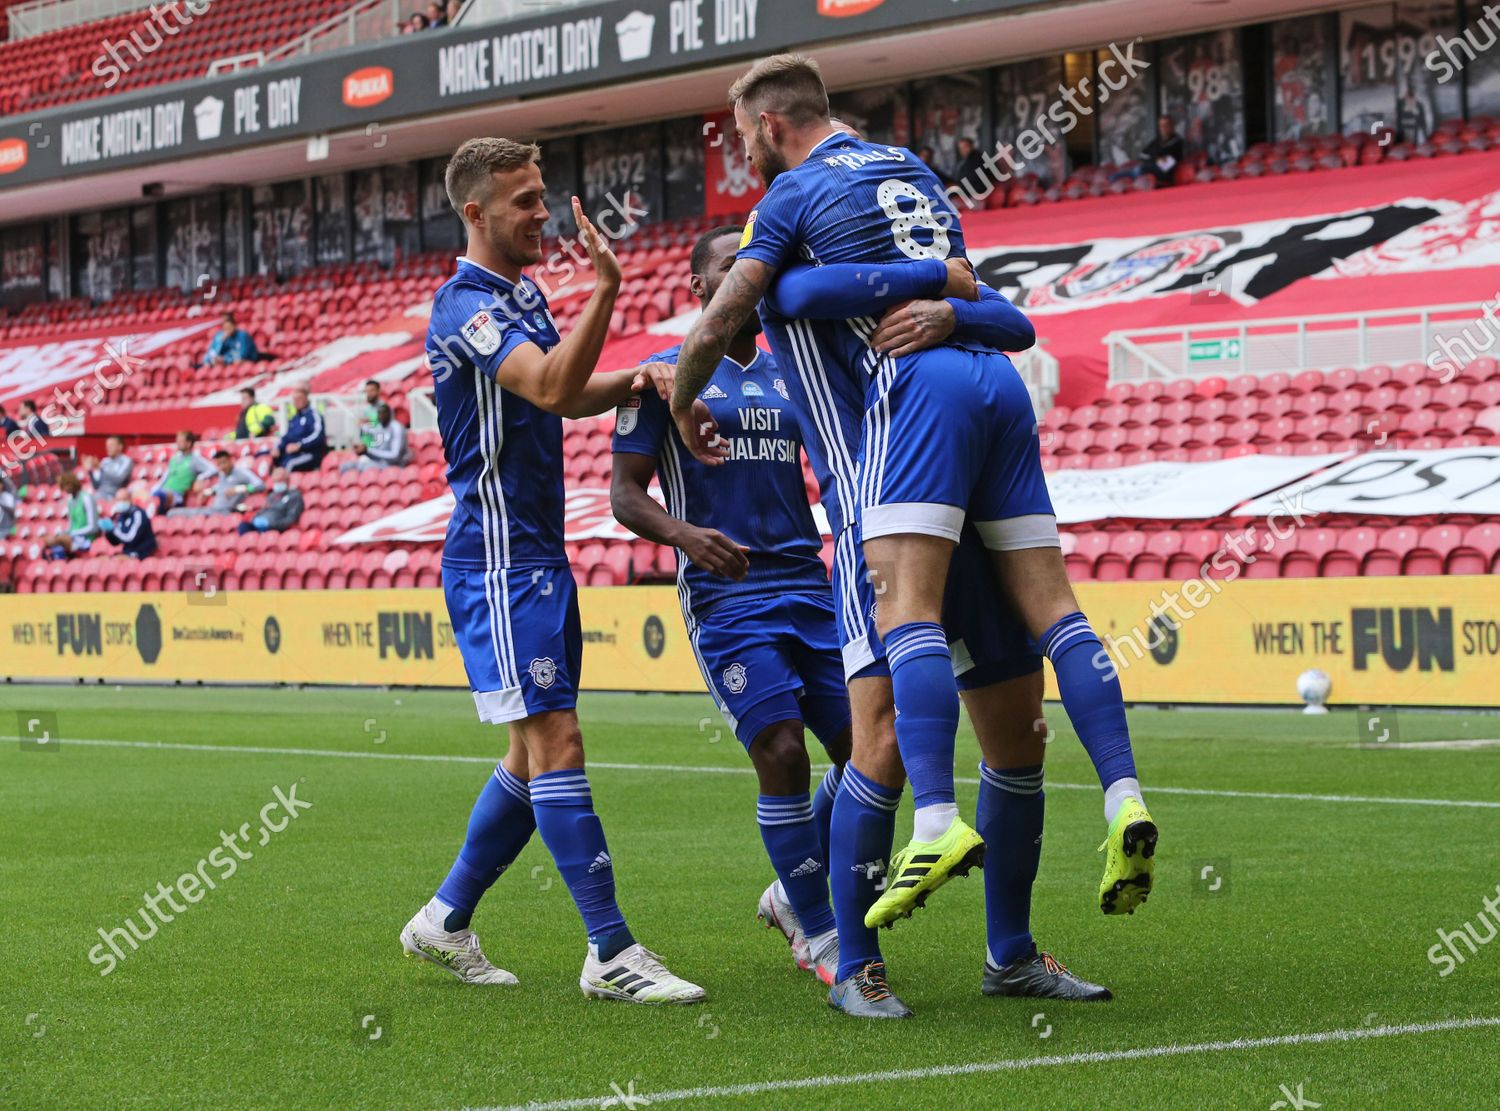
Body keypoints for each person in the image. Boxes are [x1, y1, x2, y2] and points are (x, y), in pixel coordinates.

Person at [666, 54, 1154, 1002]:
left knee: (1018, 735)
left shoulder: (806, 216)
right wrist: (944, 281)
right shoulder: (890, 196)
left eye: (738, 137)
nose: (740, 261)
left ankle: (1008, 953)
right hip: (869, 501)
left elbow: (987, 309)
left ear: (768, 129)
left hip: (932, 485)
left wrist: (945, 297)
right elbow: (772, 307)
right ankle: (855, 958)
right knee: (876, 738)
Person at [402, 136, 701, 1004]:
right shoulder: (465, 306)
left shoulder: (523, 295)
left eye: (541, 196)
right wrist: (606, 290)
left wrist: (638, 381)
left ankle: (445, 918)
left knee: (534, 756)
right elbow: (541, 385)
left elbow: (567, 392)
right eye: (524, 201)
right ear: (475, 212)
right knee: (557, 739)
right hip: (497, 558)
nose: (542, 212)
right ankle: (609, 949)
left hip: (536, 551)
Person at [611, 226, 854, 987]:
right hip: (727, 595)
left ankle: (790, 889)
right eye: (728, 269)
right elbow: (623, 494)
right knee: (781, 748)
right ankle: (819, 930)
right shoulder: (663, 378)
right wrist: (686, 536)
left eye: (752, 268)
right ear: (696, 290)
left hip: (808, 585)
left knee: (870, 752)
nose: (745, 278)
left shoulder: (794, 375)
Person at [151, 430, 217, 514]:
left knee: (159, 496)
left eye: (181, 441)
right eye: (177, 441)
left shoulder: (195, 459)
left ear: (189, 443)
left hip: (176, 496)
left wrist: (201, 477)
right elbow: (165, 477)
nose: (177, 443)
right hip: (163, 492)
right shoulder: (174, 459)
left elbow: (213, 469)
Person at [1110, 116, 1185, 186]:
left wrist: (1153, 158)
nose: (1163, 128)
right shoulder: (1157, 141)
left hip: (1162, 173)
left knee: (1139, 170)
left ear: (1172, 126)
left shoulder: (1177, 141)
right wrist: (1155, 158)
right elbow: (1142, 155)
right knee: (1113, 177)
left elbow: (1169, 162)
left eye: (1166, 125)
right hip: (1145, 168)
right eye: (1161, 126)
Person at [44, 471, 99, 558]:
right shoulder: (70, 501)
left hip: (87, 537)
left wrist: (73, 533)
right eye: (64, 486)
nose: (66, 488)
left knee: (58, 540)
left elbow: (93, 527)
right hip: (74, 537)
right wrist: (65, 532)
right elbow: (71, 525)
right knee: (47, 540)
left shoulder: (86, 498)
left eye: (67, 485)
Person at [341, 403, 409, 472]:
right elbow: (370, 432)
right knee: (345, 466)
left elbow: (395, 456)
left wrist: (368, 450)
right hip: (378, 462)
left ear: (390, 414)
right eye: (379, 414)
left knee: (366, 469)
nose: (381, 416)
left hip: (394, 465)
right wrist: (364, 451)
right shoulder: (380, 427)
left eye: (383, 413)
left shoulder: (396, 428)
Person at [275, 387, 327, 472]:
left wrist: (299, 446)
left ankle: (284, 484)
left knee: (289, 464)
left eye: (299, 398)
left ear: (306, 398)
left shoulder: (314, 415)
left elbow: (318, 436)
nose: (297, 401)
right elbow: (288, 436)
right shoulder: (294, 418)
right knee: (273, 460)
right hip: (294, 454)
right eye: (295, 399)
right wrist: (278, 448)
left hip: (310, 454)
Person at [195, 451, 264, 515]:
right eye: (219, 464)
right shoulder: (222, 474)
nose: (222, 466)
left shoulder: (241, 472)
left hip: (227, 511)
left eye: (224, 462)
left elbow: (261, 485)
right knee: (187, 513)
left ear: (230, 460)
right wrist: (205, 492)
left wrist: (238, 489)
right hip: (214, 509)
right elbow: (220, 487)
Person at [237, 468, 304, 534]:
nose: (277, 484)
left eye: (280, 481)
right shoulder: (272, 496)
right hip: (260, 526)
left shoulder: (294, 496)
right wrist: (255, 519)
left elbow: (291, 519)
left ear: (287, 481)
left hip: (276, 528)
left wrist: (271, 524)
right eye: (275, 481)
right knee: (243, 526)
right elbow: (263, 510)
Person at [83, 436, 133, 500]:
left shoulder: (126, 460)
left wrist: (100, 468)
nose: (108, 448)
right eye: (107, 445)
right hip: (100, 494)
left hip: (115, 494)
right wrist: (90, 471)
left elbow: (119, 479)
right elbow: (96, 486)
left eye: (111, 445)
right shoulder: (105, 461)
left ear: (120, 447)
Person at [360, 380, 384, 446]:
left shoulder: (385, 408)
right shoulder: (366, 409)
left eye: (372, 390)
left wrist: (370, 420)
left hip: (380, 447)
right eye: (367, 391)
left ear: (378, 391)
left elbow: (386, 429)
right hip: (367, 446)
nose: (369, 393)